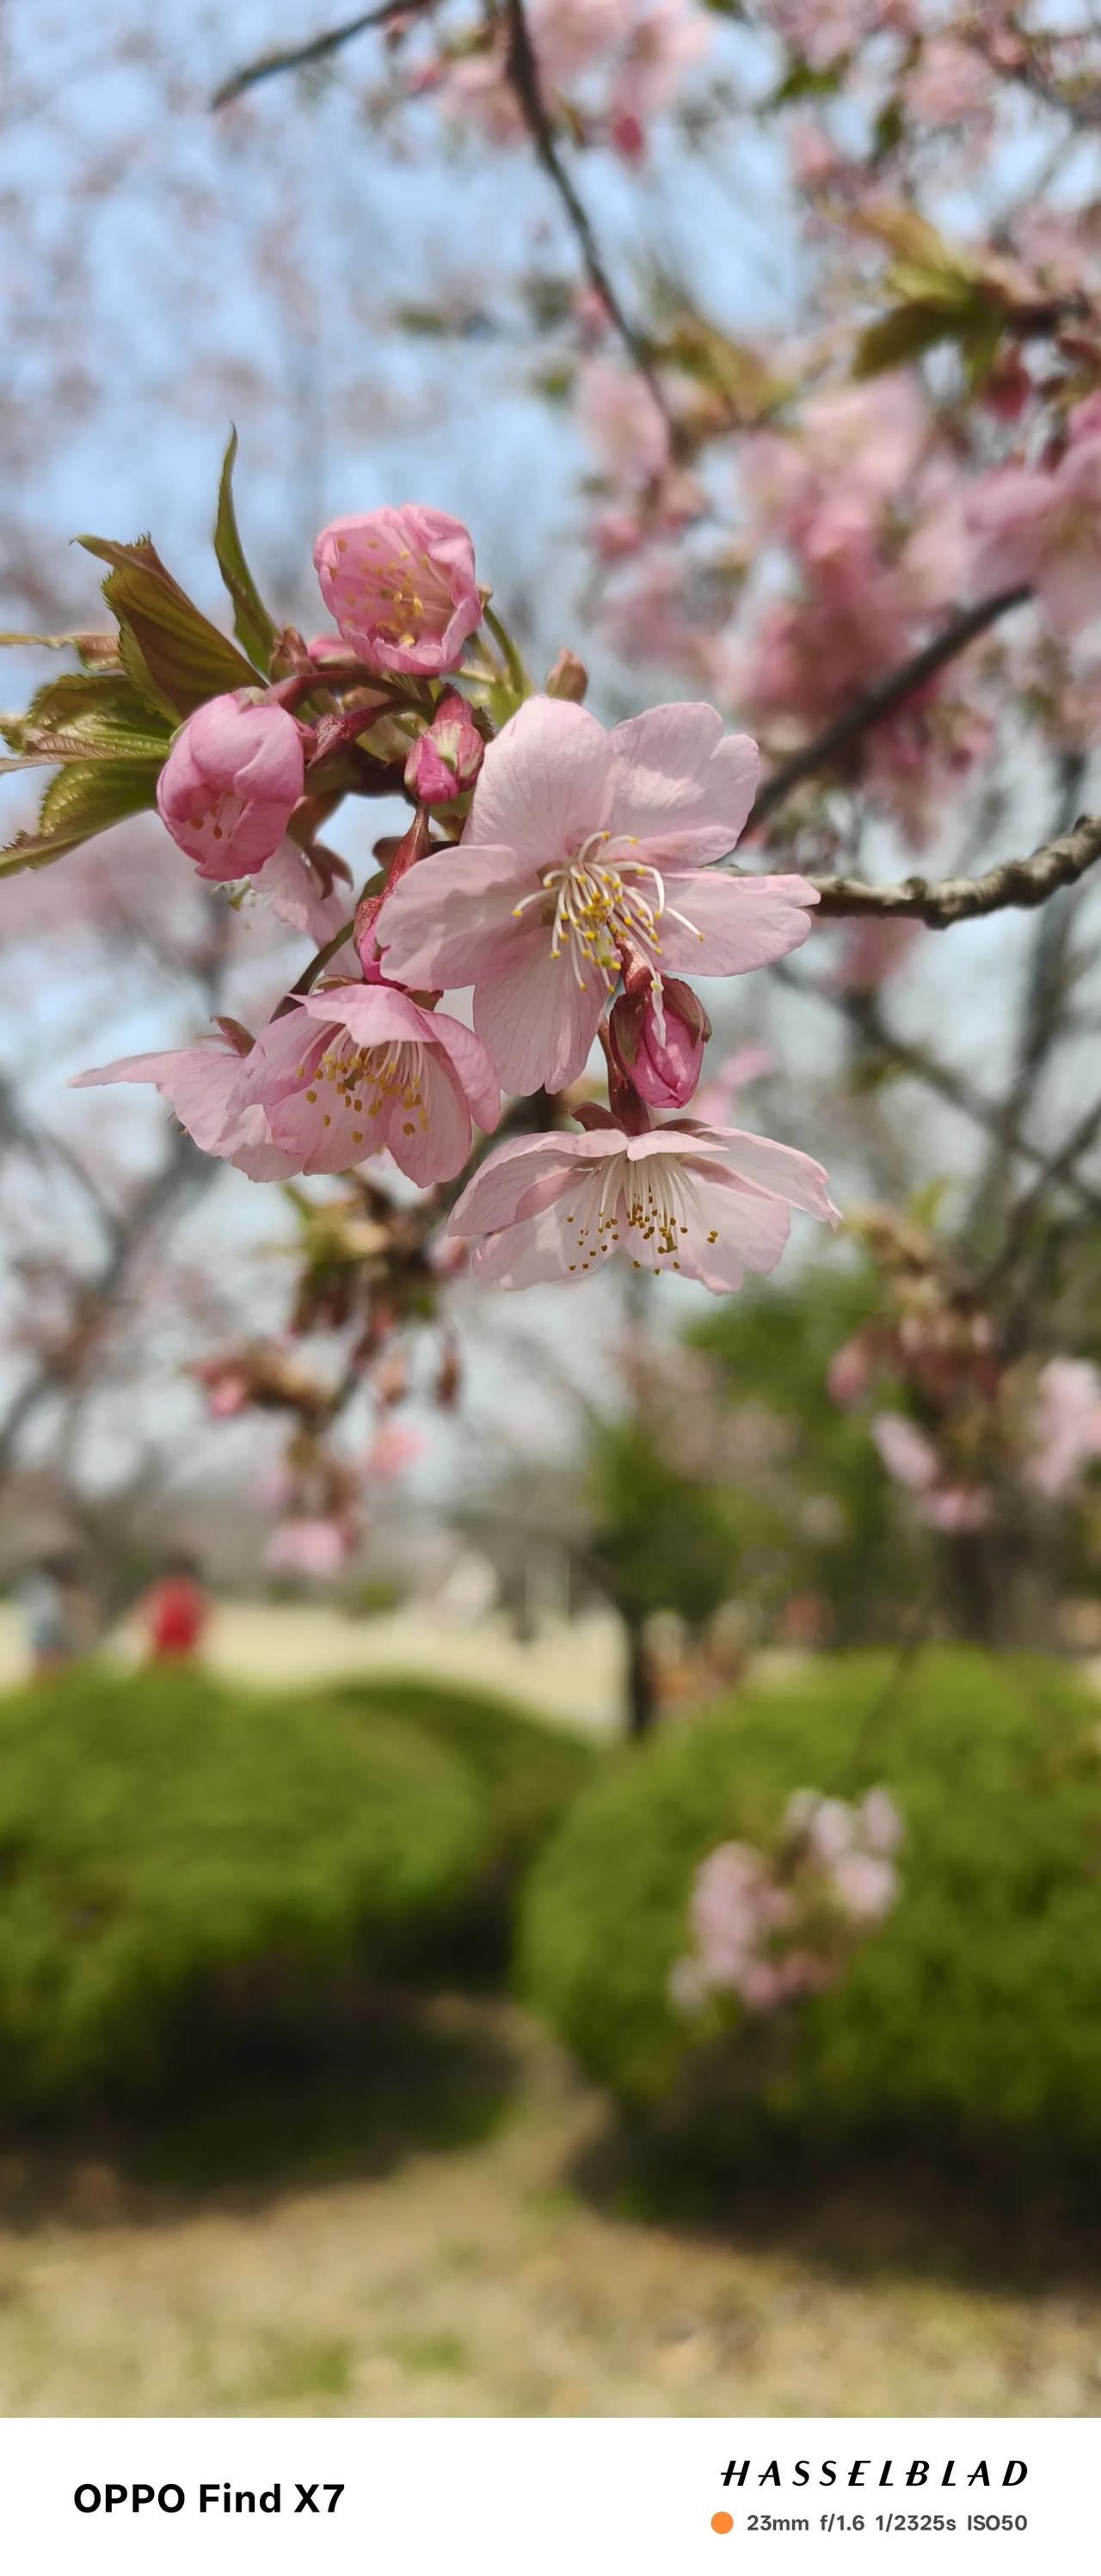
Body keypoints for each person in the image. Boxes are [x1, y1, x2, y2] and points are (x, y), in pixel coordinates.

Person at [16, 1554, 85, 1678]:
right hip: (45, 1632)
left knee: (51, 1661)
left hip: (49, 1632)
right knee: (48, 1661)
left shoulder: (39, 1583)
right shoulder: (40, 1584)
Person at [139, 1555, 212, 1665]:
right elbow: (147, 1614)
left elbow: (203, 1616)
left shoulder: (193, 1592)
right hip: (162, 1643)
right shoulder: (161, 1589)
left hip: (185, 1644)